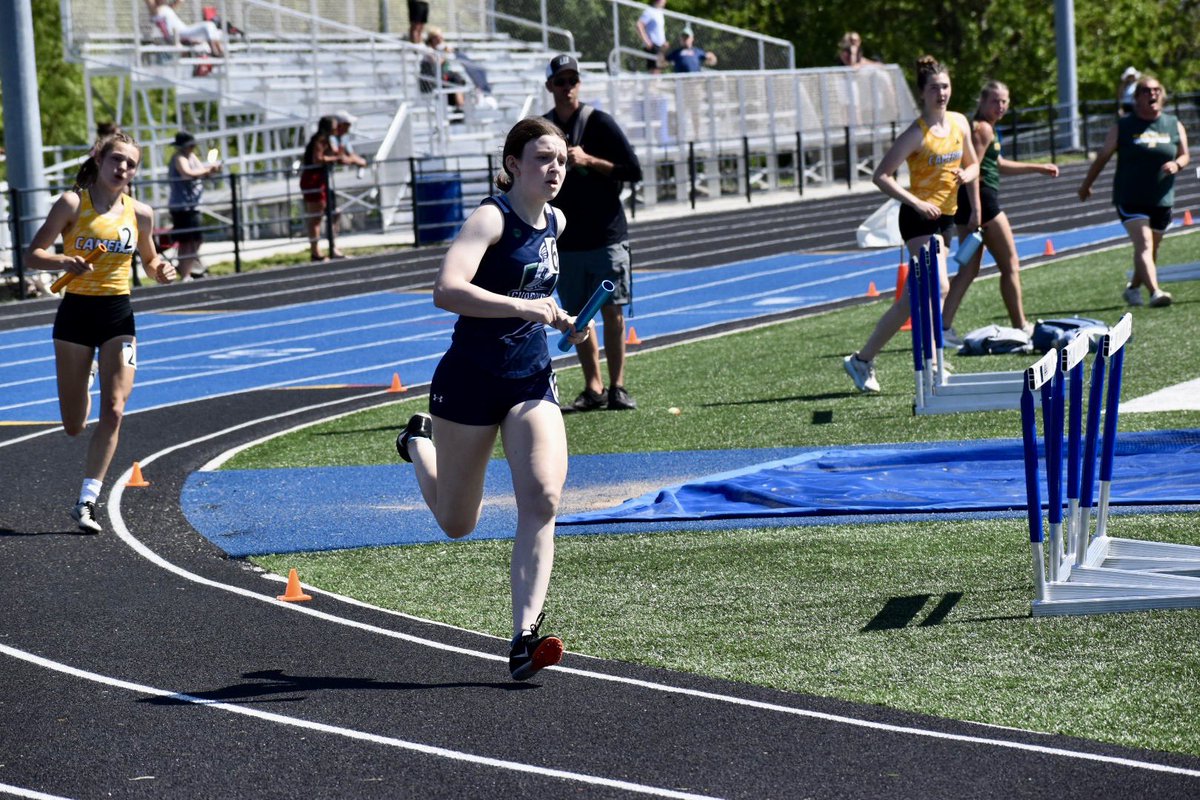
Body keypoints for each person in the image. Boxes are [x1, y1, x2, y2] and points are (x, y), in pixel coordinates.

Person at [394, 117, 583, 681]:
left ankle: (524, 637)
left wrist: (564, 318)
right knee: (458, 521)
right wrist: (523, 308)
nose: (555, 169)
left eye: (561, 161)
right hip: (470, 379)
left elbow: (542, 291)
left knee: (544, 497)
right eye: (544, 159)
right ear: (513, 166)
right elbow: (446, 290)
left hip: (530, 378)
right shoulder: (490, 218)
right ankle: (416, 444)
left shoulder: (557, 220)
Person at [25, 132, 175, 533]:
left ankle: (87, 500)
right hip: (75, 315)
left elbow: (149, 257)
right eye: (117, 160)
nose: (122, 168)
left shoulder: (140, 213)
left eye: (130, 163)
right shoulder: (73, 203)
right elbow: (32, 254)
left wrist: (160, 269)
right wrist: (63, 260)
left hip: (116, 315)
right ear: (100, 160)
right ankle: (86, 374)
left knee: (115, 408)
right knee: (73, 425)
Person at [843, 56, 979, 394]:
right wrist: (916, 201)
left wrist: (967, 177)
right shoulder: (917, 133)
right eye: (934, 88)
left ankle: (861, 360)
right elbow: (881, 176)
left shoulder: (960, 123)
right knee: (940, 287)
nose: (942, 93)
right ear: (923, 94)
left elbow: (975, 164)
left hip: (946, 216)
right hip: (918, 217)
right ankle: (934, 363)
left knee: (911, 300)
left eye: (945, 86)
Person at [543, 54, 643, 411]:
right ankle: (593, 387)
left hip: (606, 235)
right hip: (567, 239)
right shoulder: (544, 130)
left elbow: (633, 170)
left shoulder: (600, 122)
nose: (567, 87)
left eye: (573, 80)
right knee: (578, 317)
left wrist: (589, 161)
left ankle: (618, 386)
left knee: (613, 311)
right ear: (550, 86)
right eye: (561, 81)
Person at [940, 81, 1059, 338]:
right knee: (1010, 264)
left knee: (969, 269)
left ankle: (943, 325)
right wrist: (977, 211)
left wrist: (1037, 168)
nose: (1001, 106)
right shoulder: (982, 129)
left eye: (1004, 101)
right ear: (982, 102)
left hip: (972, 203)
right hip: (983, 202)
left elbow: (1000, 163)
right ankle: (1021, 325)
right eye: (995, 101)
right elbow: (974, 170)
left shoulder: (988, 129)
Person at [1078, 75, 1190, 308]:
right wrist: (1087, 184)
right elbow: (1103, 156)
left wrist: (1177, 164)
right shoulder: (1124, 126)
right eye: (1147, 91)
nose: (1153, 95)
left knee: (1152, 248)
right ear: (1137, 97)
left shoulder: (1173, 123)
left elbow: (1185, 154)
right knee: (1145, 244)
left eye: (1157, 90)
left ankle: (1133, 289)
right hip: (1130, 197)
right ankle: (1155, 292)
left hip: (1162, 197)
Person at [167, 130, 221, 280]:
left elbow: (200, 172)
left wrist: (212, 170)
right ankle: (185, 273)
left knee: (196, 240)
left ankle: (186, 270)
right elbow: (187, 173)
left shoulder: (191, 157)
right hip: (182, 206)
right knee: (186, 242)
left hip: (193, 205)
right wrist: (208, 169)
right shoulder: (178, 158)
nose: (192, 148)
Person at [299, 116, 345, 261]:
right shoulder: (319, 140)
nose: (337, 128)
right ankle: (315, 252)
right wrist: (334, 158)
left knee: (334, 213)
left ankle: (333, 246)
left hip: (322, 181)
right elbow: (317, 159)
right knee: (316, 217)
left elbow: (336, 155)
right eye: (334, 126)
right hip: (313, 180)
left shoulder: (329, 140)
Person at [149, 0, 226, 57]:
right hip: (178, 33)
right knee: (207, 25)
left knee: (212, 26)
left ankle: (220, 51)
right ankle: (214, 50)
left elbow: (177, 3)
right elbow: (149, 3)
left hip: (184, 29)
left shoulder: (166, 8)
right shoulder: (155, 12)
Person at [419, 27, 467, 114]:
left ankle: (460, 107)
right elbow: (437, 62)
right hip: (430, 81)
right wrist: (445, 53)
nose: (440, 39)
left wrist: (447, 50)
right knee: (456, 78)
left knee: (457, 80)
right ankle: (460, 107)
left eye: (441, 37)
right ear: (432, 39)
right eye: (438, 37)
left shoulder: (439, 49)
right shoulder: (427, 50)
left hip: (440, 78)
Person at [635, 0, 668, 73]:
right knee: (654, 71)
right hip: (653, 46)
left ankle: (655, 84)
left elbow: (658, 30)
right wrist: (646, 41)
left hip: (660, 46)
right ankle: (653, 84)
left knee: (659, 70)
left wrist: (664, 41)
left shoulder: (660, 12)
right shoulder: (650, 11)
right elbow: (639, 25)